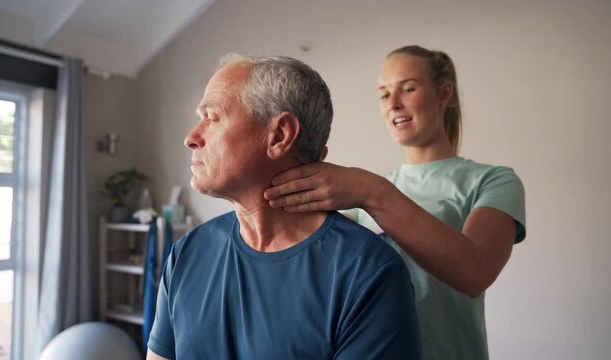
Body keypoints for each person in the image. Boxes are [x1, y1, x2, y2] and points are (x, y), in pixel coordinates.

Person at [146, 54, 421, 360]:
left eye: (212, 118)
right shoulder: (185, 255)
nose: (191, 138)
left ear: (279, 135)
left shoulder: (369, 274)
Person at [264, 45, 526, 360]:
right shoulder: (359, 197)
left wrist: (373, 192)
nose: (394, 104)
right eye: (385, 94)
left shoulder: (494, 181)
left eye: (408, 89)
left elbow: (475, 271)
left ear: (444, 93)